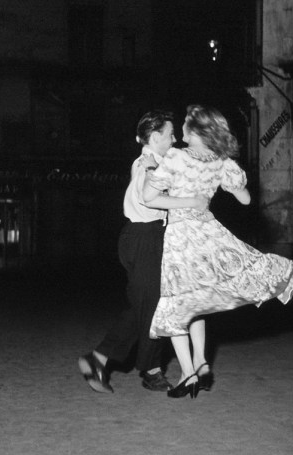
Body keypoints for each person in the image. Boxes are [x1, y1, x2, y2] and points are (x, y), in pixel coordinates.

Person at [142, 104, 293, 398]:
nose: (181, 131)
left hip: (182, 238)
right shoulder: (221, 162)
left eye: (186, 125)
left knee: (177, 304)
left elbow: (149, 198)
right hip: (209, 234)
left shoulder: (176, 158)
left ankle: (188, 372)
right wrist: (216, 184)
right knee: (197, 300)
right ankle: (201, 361)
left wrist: (188, 201)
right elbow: (245, 199)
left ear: (196, 132)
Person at [78, 109, 209, 394]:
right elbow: (150, 200)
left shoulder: (156, 161)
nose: (175, 139)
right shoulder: (145, 164)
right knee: (150, 306)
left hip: (150, 237)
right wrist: (190, 201)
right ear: (154, 136)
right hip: (143, 238)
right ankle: (144, 368)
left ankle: (113, 361)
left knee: (147, 306)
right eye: (170, 134)